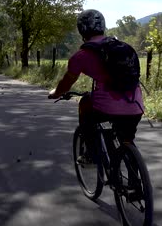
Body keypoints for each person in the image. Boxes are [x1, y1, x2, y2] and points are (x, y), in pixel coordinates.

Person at [48, 9, 144, 163]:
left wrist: (56, 93)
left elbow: (66, 83)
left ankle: (91, 153)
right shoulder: (123, 47)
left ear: (81, 30)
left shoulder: (81, 56)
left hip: (107, 108)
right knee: (126, 139)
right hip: (136, 105)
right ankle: (134, 180)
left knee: (85, 102)